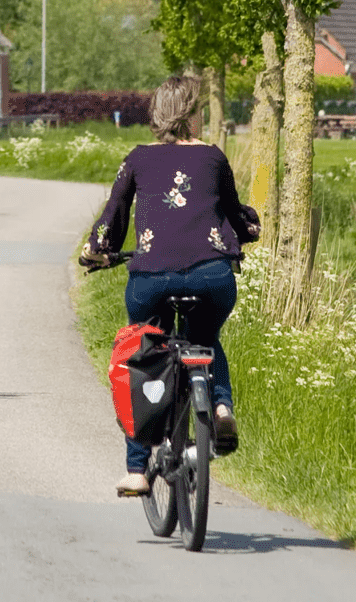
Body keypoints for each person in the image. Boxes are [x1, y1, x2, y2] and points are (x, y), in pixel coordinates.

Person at [80, 73, 257, 497]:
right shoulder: (213, 157)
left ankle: (138, 470)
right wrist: (249, 229)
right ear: (192, 116)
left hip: (151, 279)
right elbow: (234, 212)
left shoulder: (138, 158)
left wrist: (96, 250)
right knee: (207, 340)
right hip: (211, 275)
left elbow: (114, 213)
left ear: (157, 116)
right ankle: (219, 405)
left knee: (143, 353)